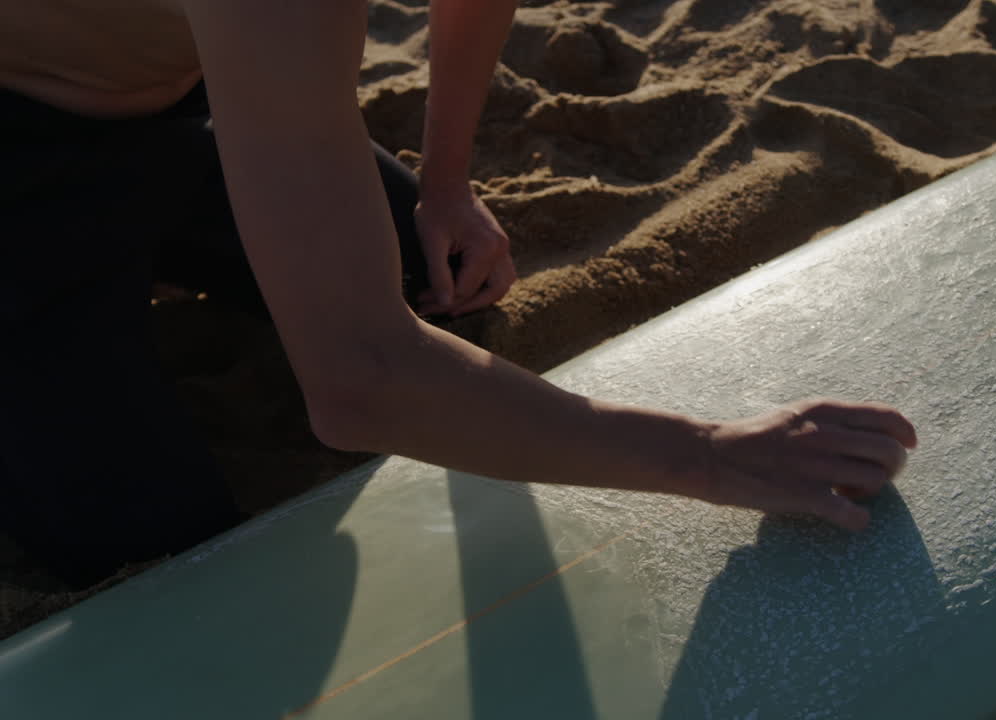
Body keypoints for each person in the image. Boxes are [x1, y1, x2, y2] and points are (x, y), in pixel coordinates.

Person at [0, 0, 918, 588]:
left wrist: (445, 184)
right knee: (148, 542)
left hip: (170, 100)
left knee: (428, 273)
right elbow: (358, 387)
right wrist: (710, 456)